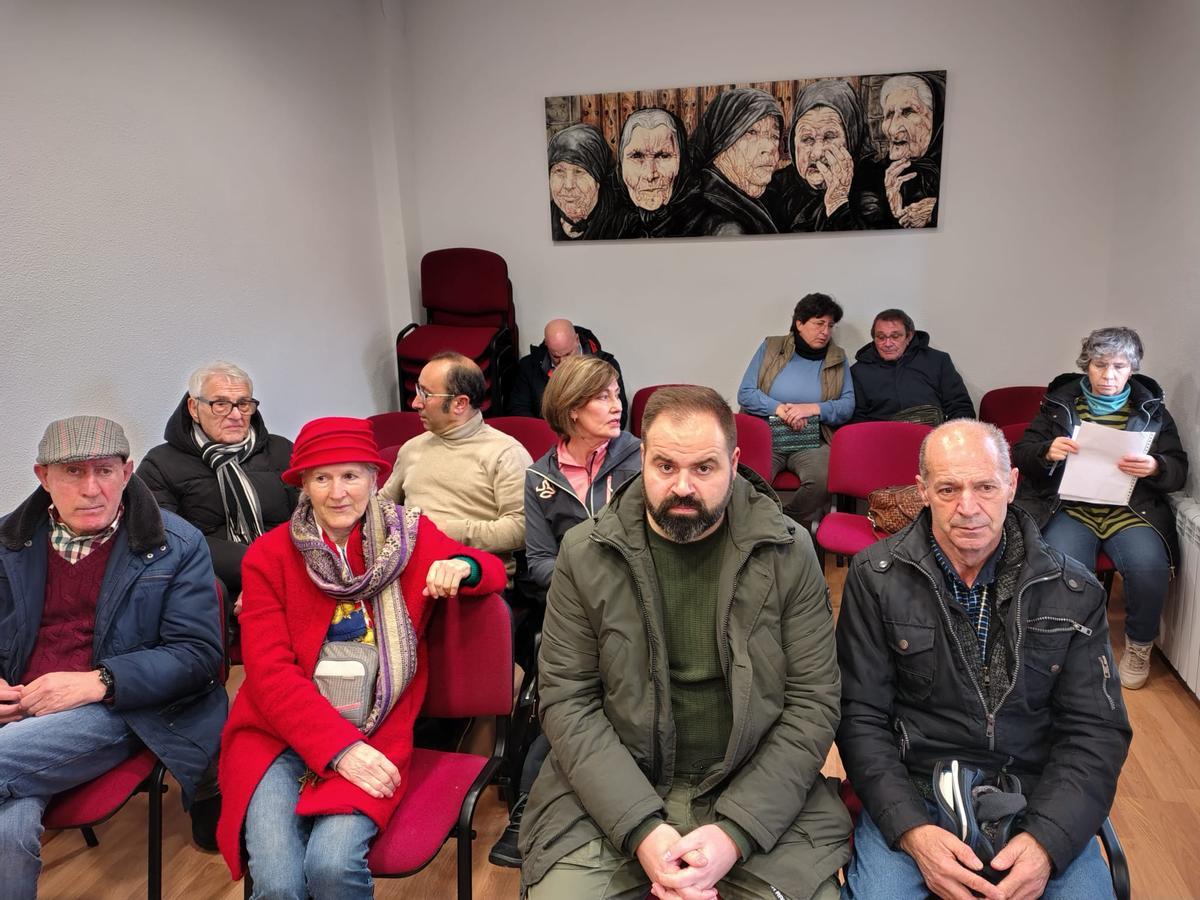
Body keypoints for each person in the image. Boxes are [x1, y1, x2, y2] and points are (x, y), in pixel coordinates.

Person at [520, 386, 850, 900]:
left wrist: (735, 833)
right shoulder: (585, 553)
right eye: (665, 466)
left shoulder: (788, 549)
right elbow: (567, 701)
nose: (683, 487)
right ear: (641, 458)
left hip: (755, 788)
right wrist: (640, 827)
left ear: (735, 462)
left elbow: (813, 702)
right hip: (614, 791)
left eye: (704, 468)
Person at [837, 420, 1133, 900]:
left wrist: (1047, 842)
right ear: (922, 491)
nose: (967, 507)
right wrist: (912, 830)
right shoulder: (875, 578)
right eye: (948, 488)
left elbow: (1095, 731)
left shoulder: (1073, 589)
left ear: (1012, 484)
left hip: (1036, 793)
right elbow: (859, 717)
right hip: (917, 789)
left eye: (985, 487)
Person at [215, 417, 506, 897]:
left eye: (351, 475)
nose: (337, 492)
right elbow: (269, 676)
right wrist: (337, 750)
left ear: (375, 478)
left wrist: (462, 564)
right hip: (277, 735)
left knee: (332, 866)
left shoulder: (410, 539)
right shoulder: (268, 557)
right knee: (277, 881)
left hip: (373, 728)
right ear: (303, 485)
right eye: (322, 477)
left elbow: (490, 571)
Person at [0, 416, 226, 897]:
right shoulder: (6, 542)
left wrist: (99, 681)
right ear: (43, 477)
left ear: (127, 472)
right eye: (73, 473)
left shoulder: (177, 544)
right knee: (5, 831)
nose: (92, 489)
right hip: (18, 706)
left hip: (120, 709)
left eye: (104, 471)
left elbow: (199, 655)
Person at [489, 354, 642, 867]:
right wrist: (583, 590)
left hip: (637, 608)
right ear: (572, 410)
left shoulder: (641, 460)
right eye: (602, 396)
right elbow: (537, 561)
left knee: (587, 700)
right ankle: (530, 811)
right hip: (571, 613)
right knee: (558, 698)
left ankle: (535, 808)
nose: (616, 404)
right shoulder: (540, 477)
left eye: (616, 393)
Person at [1013, 327, 1188, 689]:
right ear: (1086, 366)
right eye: (1100, 365)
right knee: (1062, 567)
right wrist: (1048, 451)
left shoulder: (1152, 410)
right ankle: (1067, 645)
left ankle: (1139, 645)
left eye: (1119, 366)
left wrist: (1156, 466)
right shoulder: (1059, 403)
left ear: (1132, 369)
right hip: (1071, 508)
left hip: (1130, 510)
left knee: (1149, 566)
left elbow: (1178, 470)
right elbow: (1021, 455)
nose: (1109, 376)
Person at [138, 361, 297, 608]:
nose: (235, 415)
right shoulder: (160, 463)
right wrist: (258, 570)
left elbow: (309, 517)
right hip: (218, 581)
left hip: (292, 568)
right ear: (193, 407)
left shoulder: (281, 450)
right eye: (220, 404)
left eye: (244, 404)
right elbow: (168, 538)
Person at [381, 352, 533, 581]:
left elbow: (522, 528)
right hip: (409, 571)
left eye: (426, 394)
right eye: (417, 389)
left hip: (475, 577)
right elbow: (382, 506)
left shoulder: (505, 453)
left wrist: (447, 530)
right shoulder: (412, 448)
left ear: (460, 404)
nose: (415, 403)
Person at [737, 292, 854, 527]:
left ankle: (785, 524)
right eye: (819, 323)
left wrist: (811, 409)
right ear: (799, 323)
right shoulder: (771, 347)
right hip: (768, 435)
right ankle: (759, 525)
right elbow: (746, 393)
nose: (826, 331)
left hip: (811, 438)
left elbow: (847, 406)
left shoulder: (837, 357)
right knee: (747, 480)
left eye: (830, 325)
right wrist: (781, 409)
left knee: (824, 480)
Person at [764, 79, 886, 232]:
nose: (816, 153)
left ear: (852, 138)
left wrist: (838, 203)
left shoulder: (877, 184)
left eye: (829, 137)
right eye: (807, 139)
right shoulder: (776, 188)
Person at [850, 308, 975, 423]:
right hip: (883, 440)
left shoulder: (938, 361)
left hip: (936, 438)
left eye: (895, 336)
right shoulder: (859, 372)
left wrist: (947, 437)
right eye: (881, 337)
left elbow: (960, 407)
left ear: (909, 336)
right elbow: (857, 420)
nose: (887, 343)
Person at [692, 88, 784, 235]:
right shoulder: (727, 227)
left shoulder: (753, 201)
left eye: (774, 136)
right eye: (752, 132)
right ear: (721, 142)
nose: (770, 148)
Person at [508, 318, 630, 429]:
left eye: (568, 354)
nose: (563, 362)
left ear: (577, 340)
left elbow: (620, 417)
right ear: (547, 345)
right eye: (556, 356)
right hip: (546, 438)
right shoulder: (529, 367)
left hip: (593, 439)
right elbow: (519, 413)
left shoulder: (606, 365)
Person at [613, 107, 707, 238]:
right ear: (621, 164)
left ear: (683, 162)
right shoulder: (611, 224)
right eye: (636, 156)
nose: (650, 175)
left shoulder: (706, 225)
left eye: (663, 156)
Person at [866, 73, 944, 229]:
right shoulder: (870, 172)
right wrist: (889, 208)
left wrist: (934, 212)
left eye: (908, 112)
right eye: (888, 115)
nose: (893, 128)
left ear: (936, 118)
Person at [547, 124, 623, 241]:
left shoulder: (623, 223)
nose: (568, 185)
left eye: (579, 171)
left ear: (598, 180)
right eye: (559, 171)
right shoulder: (542, 218)